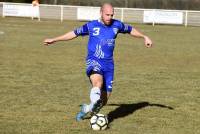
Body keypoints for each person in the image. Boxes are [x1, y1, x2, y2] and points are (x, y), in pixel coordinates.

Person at [43, 3, 153, 121]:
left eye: (111, 15)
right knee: (97, 82)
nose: (109, 17)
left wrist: (144, 36)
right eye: (107, 14)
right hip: (94, 61)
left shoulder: (117, 25)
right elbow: (74, 33)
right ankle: (95, 102)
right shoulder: (91, 25)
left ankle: (87, 109)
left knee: (104, 101)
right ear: (101, 13)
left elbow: (130, 30)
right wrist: (54, 39)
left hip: (109, 65)